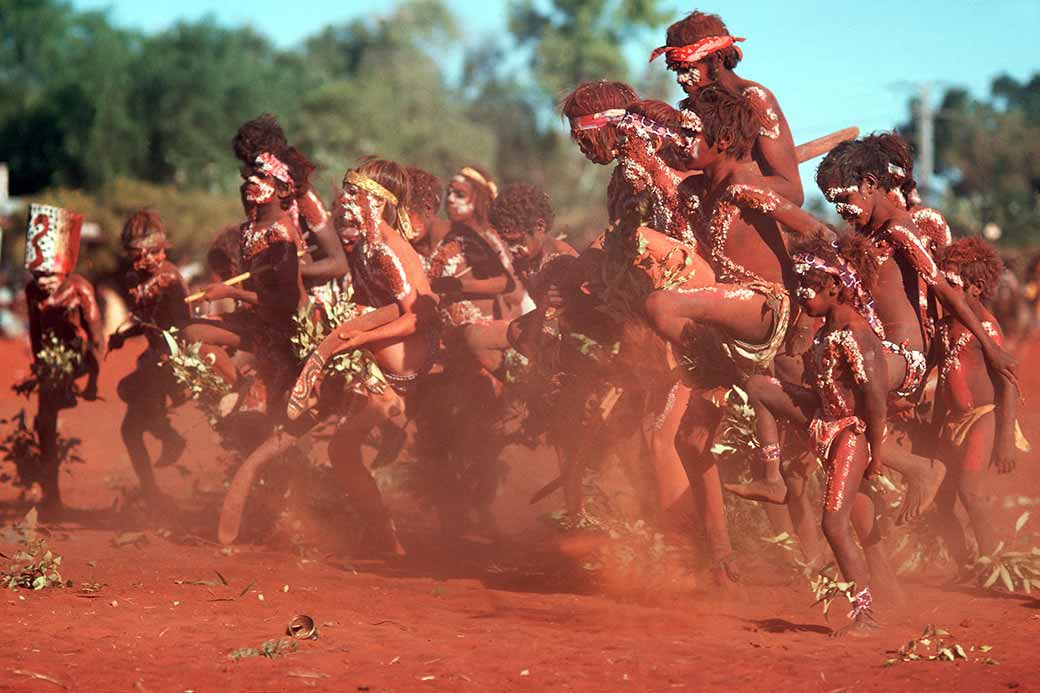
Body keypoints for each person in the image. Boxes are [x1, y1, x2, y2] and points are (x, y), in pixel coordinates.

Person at [288, 158, 439, 555]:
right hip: (384, 358)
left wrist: (352, 339)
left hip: (410, 359)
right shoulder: (368, 247)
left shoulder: (386, 249)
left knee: (348, 323)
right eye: (345, 189)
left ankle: (383, 412)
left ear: (377, 200)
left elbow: (418, 319)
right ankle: (384, 537)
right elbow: (392, 310)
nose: (346, 200)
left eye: (354, 192)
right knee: (341, 450)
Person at [932, 238, 1026, 573]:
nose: (946, 291)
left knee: (969, 492)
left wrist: (1004, 438)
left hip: (984, 419)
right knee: (941, 500)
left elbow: (1007, 384)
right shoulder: (943, 326)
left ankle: (994, 562)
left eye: (954, 283)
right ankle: (965, 563)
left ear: (977, 287)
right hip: (951, 421)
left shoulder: (987, 327)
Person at [651, 11, 803, 205]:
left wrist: (728, 185)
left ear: (718, 57)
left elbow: (793, 192)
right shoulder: (695, 108)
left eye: (688, 69)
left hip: (749, 228)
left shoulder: (755, 100)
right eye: (677, 70)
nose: (681, 79)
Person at [22, 204, 103, 513]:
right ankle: (51, 494)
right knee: (44, 423)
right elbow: (35, 330)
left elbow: (96, 337)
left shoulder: (80, 289)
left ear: (65, 268)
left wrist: (94, 378)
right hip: (52, 362)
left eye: (48, 274)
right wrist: (39, 365)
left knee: (51, 408)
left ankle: (67, 389)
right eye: (36, 273)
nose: (42, 281)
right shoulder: (33, 292)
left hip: (79, 355)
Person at [107, 209, 190, 501]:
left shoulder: (170, 279)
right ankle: (152, 491)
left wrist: (172, 358)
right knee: (130, 432)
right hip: (152, 357)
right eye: (137, 256)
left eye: (152, 253)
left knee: (127, 392)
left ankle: (170, 438)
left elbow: (184, 324)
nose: (145, 261)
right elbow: (147, 323)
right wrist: (123, 336)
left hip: (171, 361)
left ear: (162, 249)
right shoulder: (133, 277)